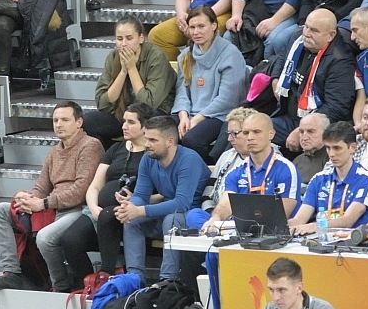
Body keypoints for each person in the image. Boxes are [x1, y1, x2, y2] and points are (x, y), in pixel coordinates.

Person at [0, 102, 104, 292]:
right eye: (55, 120)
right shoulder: (54, 152)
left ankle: (60, 286)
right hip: (54, 208)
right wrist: (26, 198)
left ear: (79, 122)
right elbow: (42, 187)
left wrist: (43, 203)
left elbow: (81, 190)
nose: (59, 124)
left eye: (65, 120)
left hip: (80, 209)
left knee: (45, 238)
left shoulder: (90, 145)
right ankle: (11, 273)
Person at [57, 102, 155, 284]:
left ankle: (106, 273)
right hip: (99, 209)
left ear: (145, 127)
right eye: (124, 121)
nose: (124, 126)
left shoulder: (152, 153)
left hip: (129, 211)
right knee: (69, 240)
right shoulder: (115, 149)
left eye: (131, 122)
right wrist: (94, 207)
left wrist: (136, 200)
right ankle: (89, 284)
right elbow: (94, 186)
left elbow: (162, 191)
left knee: (108, 216)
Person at [117, 115, 209, 282]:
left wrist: (139, 210)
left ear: (170, 141)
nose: (147, 144)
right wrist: (129, 209)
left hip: (192, 218)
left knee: (170, 220)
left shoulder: (189, 159)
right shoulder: (148, 158)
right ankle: (134, 277)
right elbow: (141, 195)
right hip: (167, 212)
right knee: (131, 220)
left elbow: (182, 203)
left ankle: (167, 281)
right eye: (146, 138)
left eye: (153, 140)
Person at [82, 15, 176, 145]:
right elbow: (103, 104)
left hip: (153, 114)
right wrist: (123, 72)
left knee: (145, 121)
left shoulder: (156, 56)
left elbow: (149, 103)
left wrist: (132, 68)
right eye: (119, 39)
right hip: (124, 113)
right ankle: (113, 154)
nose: (124, 44)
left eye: (129, 38)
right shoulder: (113, 57)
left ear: (141, 38)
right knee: (87, 122)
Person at [173, 5, 248, 162]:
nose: (196, 32)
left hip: (219, 115)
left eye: (201, 26)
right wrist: (183, 115)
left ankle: (207, 170)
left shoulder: (230, 54)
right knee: (162, 131)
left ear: (214, 26)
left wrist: (197, 119)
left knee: (192, 139)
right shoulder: (185, 56)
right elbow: (181, 93)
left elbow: (227, 99)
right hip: (190, 113)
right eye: (192, 27)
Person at [271, 9, 357, 147]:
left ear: (331, 35)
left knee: (257, 135)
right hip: (286, 112)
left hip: (313, 126)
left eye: (314, 31)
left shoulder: (340, 61)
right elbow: (282, 57)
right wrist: (275, 78)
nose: (306, 33)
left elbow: (336, 107)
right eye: (306, 26)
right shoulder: (297, 37)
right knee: (247, 128)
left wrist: (302, 130)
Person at [209, 112, 302, 223]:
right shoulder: (235, 172)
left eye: (256, 132)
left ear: (271, 134)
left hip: (276, 230)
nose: (250, 137)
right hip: (240, 228)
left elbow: (281, 214)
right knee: (197, 216)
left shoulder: (286, 169)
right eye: (246, 133)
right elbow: (225, 205)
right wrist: (216, 218)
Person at [289, 122, 368, 235]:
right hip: (321, 239)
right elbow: (299, 220)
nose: (331, 154)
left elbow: (348, 220)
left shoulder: (367, 179)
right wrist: (280, 225)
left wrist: (316, 226)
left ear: (353, 148)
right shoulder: (318, 179)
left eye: (337, 148)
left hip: (352, 241)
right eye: (328, 148)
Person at [185, 106, 257, 232]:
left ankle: (219, 233)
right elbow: (209, 191)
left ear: (249, 132)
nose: (229, 139)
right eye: (228, 134)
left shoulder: (266, 156)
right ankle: (219, 231)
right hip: (218, 216)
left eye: (235, 134)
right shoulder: (226, 156)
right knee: (193, 215)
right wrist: (214, 214)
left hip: (249, 220)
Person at [293, 112, 330, 186]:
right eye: (301, 132)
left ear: (326, 133)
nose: (304, 137)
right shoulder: (297, 161)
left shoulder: (333, 158)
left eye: (311, 132)